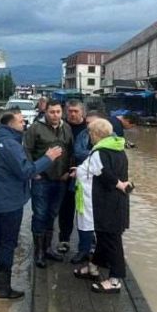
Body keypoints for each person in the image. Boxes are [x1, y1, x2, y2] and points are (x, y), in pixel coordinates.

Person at [0, 109, 63, 299]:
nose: (24, 124)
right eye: (20, 121)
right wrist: (48, 158)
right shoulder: (11, 145)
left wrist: (27, 170)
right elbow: (25, 171)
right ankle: (3, 288)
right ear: (11, 124)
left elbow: (11, 167)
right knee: (8, 242)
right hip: (10, 200)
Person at [71, 118, 131, 294]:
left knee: (112, 241)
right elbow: (100, 170)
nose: (89, 136)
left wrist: (117, 183)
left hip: (106, 204)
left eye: (90, 133)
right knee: (105, 238)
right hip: (118, 202)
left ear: (95, 134)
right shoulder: (118, 148)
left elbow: (104, 174)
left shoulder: (99, 152)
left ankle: (114, 281)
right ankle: (93, 267)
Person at [24, 99, 73, 268]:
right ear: (46, 112)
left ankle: (48, 248)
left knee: (52, 215)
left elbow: (71, 151)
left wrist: (68, 170)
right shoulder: (35, 128)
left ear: (62, 112)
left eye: (58, 112)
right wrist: (33, 171)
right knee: (40, 214)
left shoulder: (66, 128)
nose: (55, 115)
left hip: (60, 180)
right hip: (41, 180)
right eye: (52, 112)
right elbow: (26, 151)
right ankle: (38, 252)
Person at [70, 109, 108, 264]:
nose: (89, 128)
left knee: (101, 221)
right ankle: (84, 249)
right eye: (87, 124)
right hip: (83, 186)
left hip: (101, 189)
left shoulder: (111, 143)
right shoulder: (84, 136)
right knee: (83, 219)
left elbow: (106, 165)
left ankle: (101, 252)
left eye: (92, 125)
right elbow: (78, 153)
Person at [56, 99, 87, 255]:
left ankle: (87, 243)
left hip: (85, 176)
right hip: (65, 175)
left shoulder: (89, 128)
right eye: (70, 111)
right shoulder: (61, 127)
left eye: (76, 111)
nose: (73, 114)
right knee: (65, 208)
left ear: (82, 112)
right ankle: (64, 239)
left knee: (84, 210)